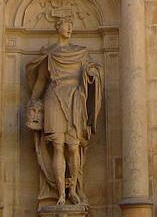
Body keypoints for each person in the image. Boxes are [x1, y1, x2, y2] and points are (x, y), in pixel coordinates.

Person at [26, 15, 103, 206]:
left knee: (73, 146)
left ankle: (74, 190)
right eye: (66, 25)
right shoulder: (50, 54)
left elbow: (91, 73)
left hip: (74, 100)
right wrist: (33, 102)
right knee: (58, 146)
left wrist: (92, 74)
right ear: (58, 27)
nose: (69, 29)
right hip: (53, 97)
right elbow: (41, 82)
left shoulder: (81, 53)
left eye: (71, 26)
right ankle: (61, 193)